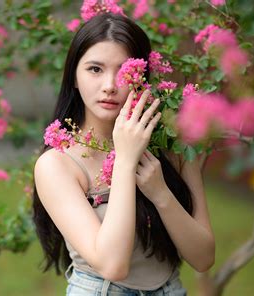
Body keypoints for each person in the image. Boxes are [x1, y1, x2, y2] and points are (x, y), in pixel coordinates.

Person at [33, 12, 215, 296]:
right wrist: (126, 162)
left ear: (142, 78)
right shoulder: (58, 164)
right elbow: (112, 265)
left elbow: (203, 258)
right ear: (74, 77)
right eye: (95, 69)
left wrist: (160, 193)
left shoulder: (172, 147)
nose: (109, 85)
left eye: (123, 72)